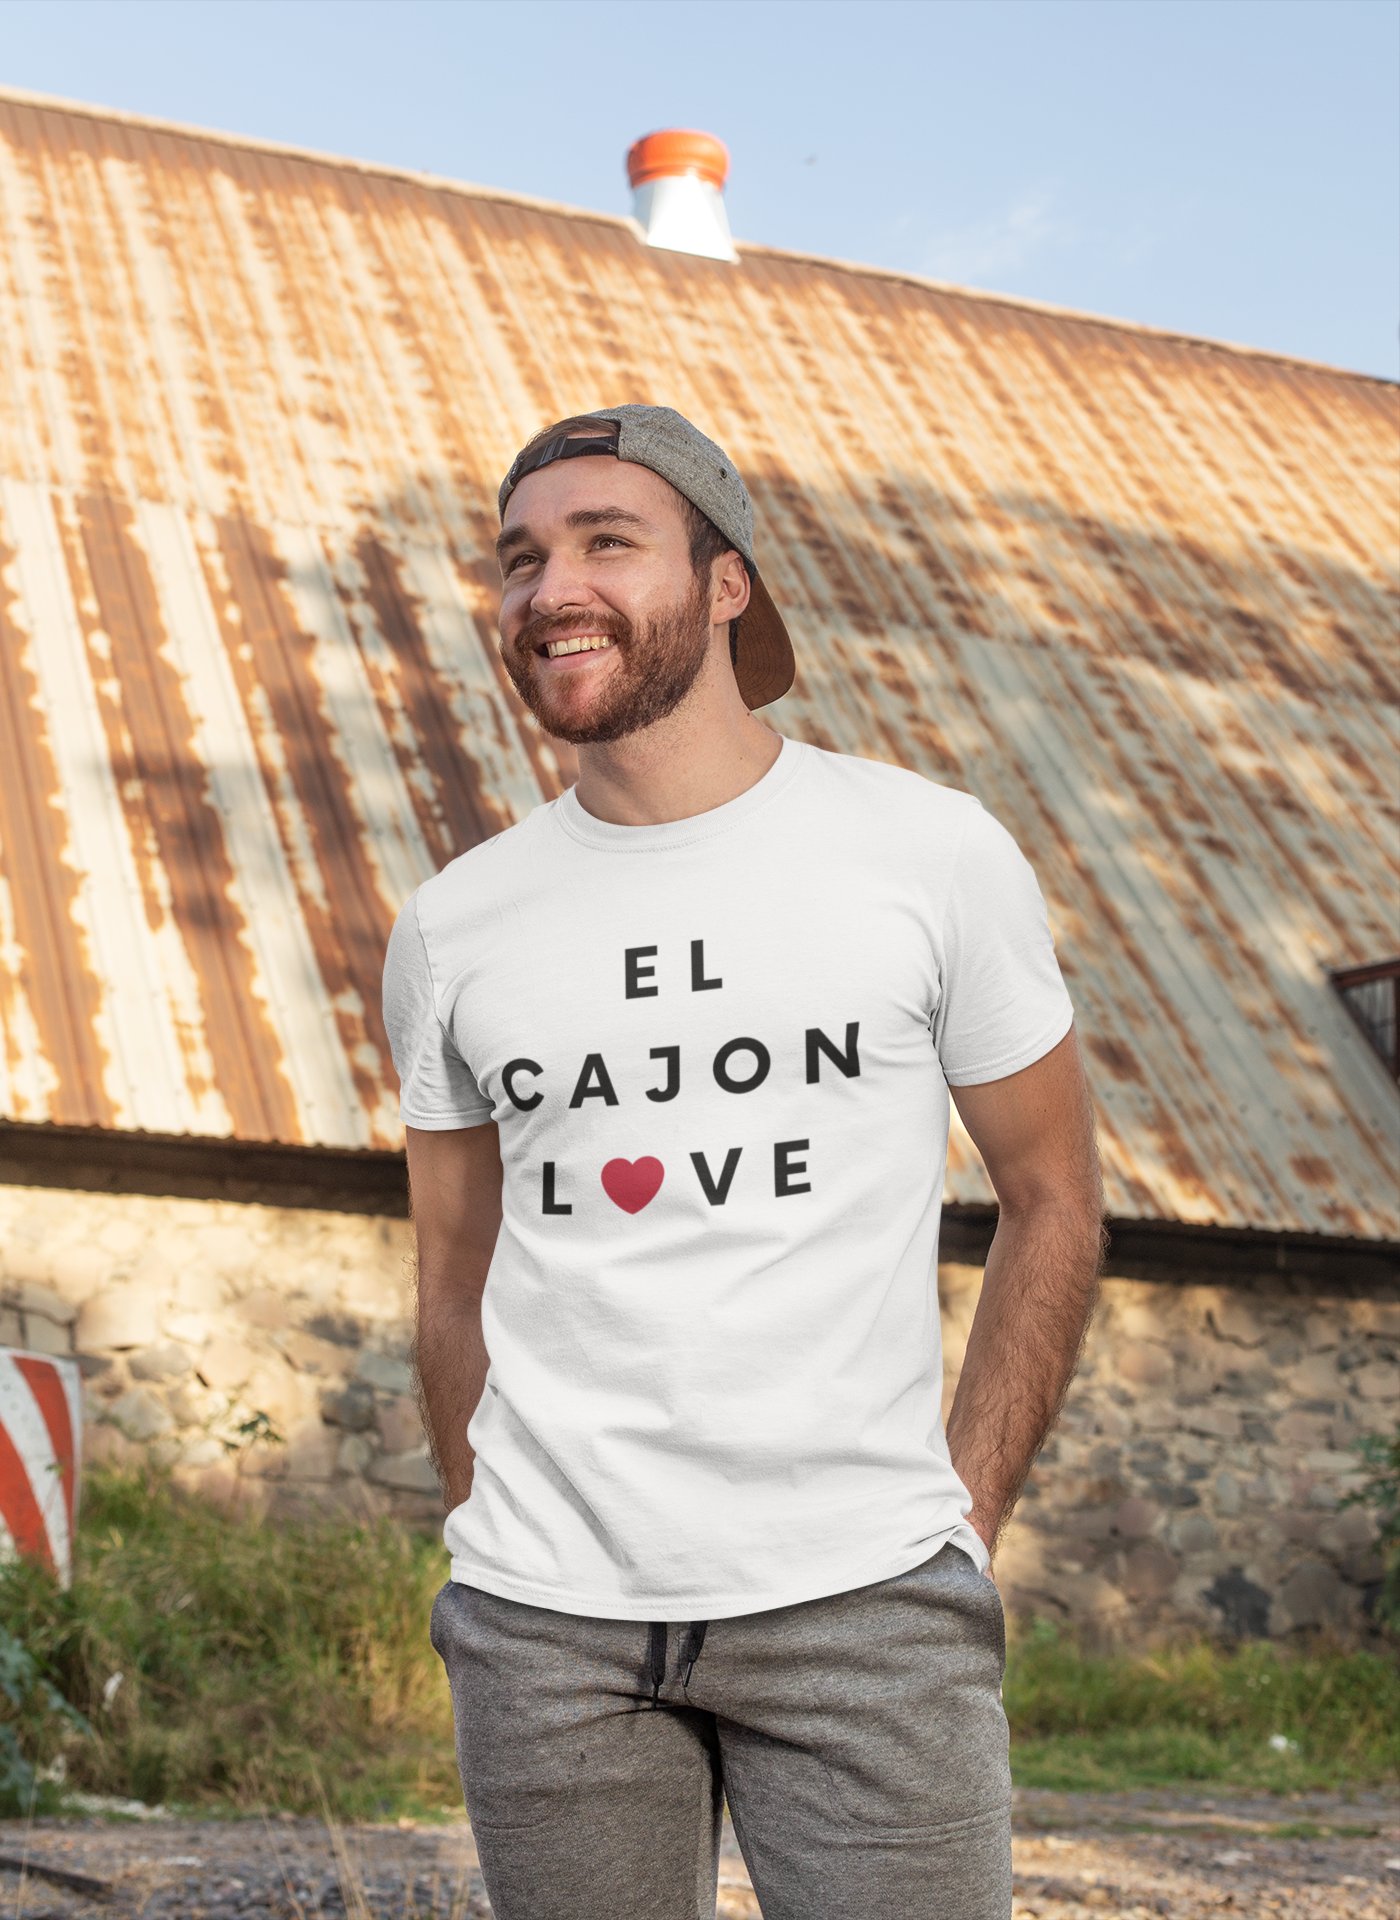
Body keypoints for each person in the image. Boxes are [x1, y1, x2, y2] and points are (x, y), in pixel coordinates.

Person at [383, 405, 1104, 1919]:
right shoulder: (456, 925)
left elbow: (1052, 1199)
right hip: (548, 1630)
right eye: (519, 559)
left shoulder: (928, 855)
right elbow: (453, 1276)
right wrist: (489, 1536)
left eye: (605, 542)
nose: (548, 588)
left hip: (867, 1609)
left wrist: (957, 1524)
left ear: (725, 584)